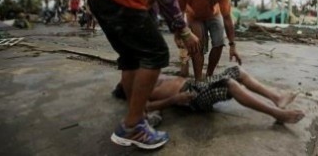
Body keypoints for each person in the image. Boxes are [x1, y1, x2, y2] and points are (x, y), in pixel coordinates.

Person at [84, 0, 205, 150]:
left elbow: (152, 0)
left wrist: (167, 26)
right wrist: (184, 30)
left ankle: (135, 117)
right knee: (157, 54)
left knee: (132, 57)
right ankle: (132, 126)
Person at [117, 66, 305, 124]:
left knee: (237, 71)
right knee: (229, 84)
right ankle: (276, 113)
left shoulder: (150, 75)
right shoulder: (140, 94)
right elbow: (147, 108)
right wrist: (175, 100)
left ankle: (276, 97)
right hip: (190, 98)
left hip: (195, 85)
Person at [176, 0, 241, 80]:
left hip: (213, 15)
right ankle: (198, 80)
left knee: (219, 43)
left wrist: (232, 45)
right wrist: (178, 34)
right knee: (197, 46)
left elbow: (227, 18)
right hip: (194, 17)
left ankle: (209, 76)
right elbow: (178, 13)